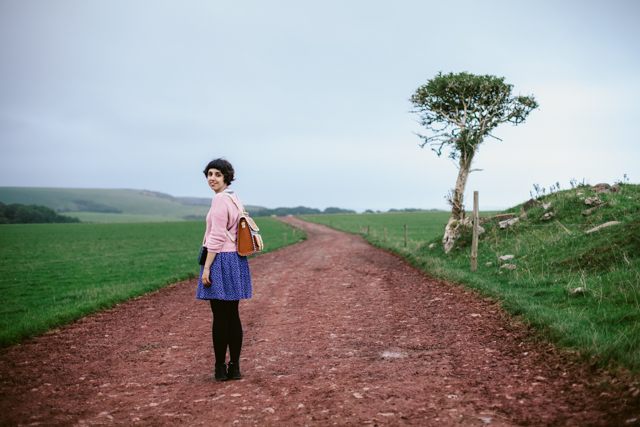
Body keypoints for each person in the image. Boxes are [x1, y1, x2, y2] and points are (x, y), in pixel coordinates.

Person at [196, 158, 252, 381]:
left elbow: (216, 237)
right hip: (236, 260)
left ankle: (220, 368)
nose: (212, 178)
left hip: (220, 260)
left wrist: (207, 267)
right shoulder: (234, 198)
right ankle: (235, 367)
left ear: (226, 177)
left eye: (217, 174)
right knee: (232, 315)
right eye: (209, 174)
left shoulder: (220, 199)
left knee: (220, 317)